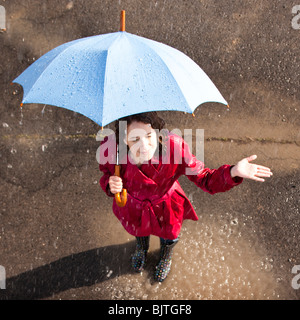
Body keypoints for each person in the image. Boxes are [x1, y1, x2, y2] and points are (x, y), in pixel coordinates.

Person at [99, 112, 272, 282]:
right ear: (124, 140)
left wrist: (233, 172)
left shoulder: (174, 148)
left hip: (166, 206)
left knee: (169, 235)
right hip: (134, 207)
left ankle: (166, 255)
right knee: (139, 231)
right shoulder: (113, 150)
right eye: (135, 139)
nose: (144, 146)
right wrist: (109, 183)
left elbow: (205, 178)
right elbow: (106, 173)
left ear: (158, 133)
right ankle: (141, 247)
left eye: (149, 135)